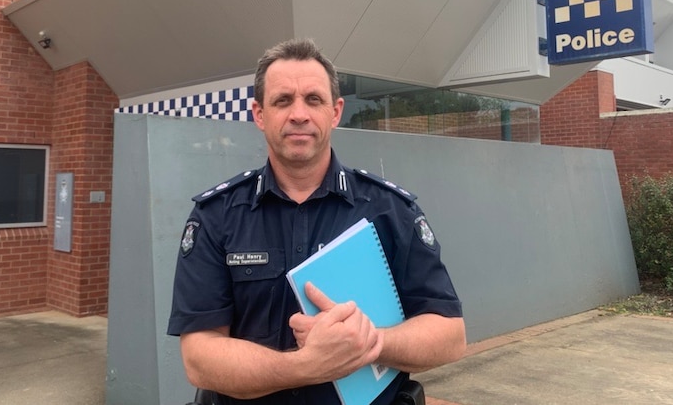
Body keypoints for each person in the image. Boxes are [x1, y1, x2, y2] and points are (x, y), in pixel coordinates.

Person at [167, 38, 466, 405]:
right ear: (259, 114)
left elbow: (450, 335)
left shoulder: (390, 211)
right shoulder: (217, 217)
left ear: (335, 111)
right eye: (282, 100)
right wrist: (305, 367)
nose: (299, 114)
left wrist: (368, 342)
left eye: (313, 99)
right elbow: (199, 358)